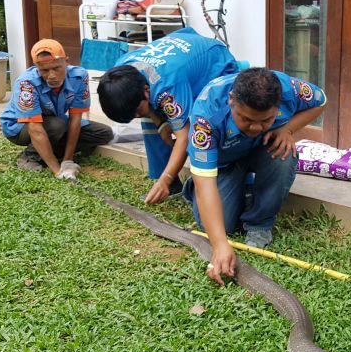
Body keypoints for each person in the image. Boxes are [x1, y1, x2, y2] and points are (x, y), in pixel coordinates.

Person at [184, 67, 326, 284]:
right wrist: (220, 245)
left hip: (262, 148)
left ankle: (260, 223)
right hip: (224, 164)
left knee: (284, 155)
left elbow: (321, 101)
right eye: (246, 119)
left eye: (266, 120)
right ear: (231, 100)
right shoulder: (206, 115)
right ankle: (200, 186)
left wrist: (287, 129)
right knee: (218, 226)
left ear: (278, 105)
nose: (256, 127)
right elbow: (207, 187)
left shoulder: (290, 89)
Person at [97, 27, 241, 204]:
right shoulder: (120, 72)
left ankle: (222, 180)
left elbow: (184, 137)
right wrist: (160, 124)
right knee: (149, 123)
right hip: (182, 53)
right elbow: (148, 107)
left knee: (206, 124)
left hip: (214, 62)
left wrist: (165, 177)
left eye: (136, 111)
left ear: (146, 90)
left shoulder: (167, 88)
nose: (136, 115)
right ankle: (172, 186)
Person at [1, 39, 113, 179]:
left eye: (56, 68)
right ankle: (30, 157)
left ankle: (53, 153)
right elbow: (35, 129)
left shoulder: (79, 76)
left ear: (66, 62)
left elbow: (75, 120)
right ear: (36, 67)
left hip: (55, 120)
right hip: (18, 127)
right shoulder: (26, 83)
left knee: (103, 133)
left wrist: (67, 161)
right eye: (45, 70)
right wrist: (58, 171)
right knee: (57, 125)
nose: (52, 75)